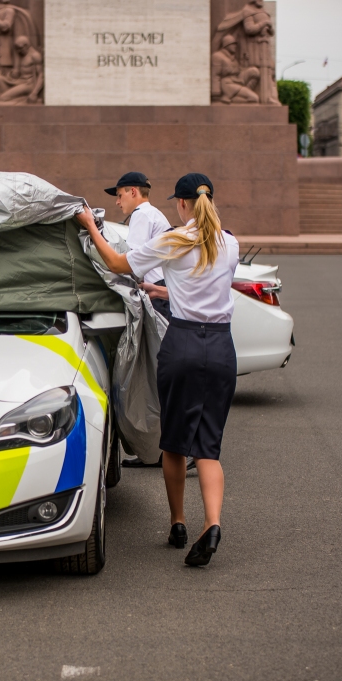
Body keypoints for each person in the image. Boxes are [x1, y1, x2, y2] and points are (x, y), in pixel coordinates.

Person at [76, 172, 239, 567]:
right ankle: (212, 523)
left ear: (181, 205)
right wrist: (163, 290)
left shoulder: (174, 240)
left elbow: (116, 261)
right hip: (220, 347)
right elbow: (205, 286)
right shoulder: (230, 243)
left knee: (174, 443)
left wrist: (90, 228)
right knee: (208, 446)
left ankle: (178, 521)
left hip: (181, 344)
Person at [102, 172, 195, 474]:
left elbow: (129, 261)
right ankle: (160, 452)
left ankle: (186, 448)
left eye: (119, 195)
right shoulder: (151, 214)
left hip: (160, 303)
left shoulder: (142, 215)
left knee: (164, 378)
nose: (117, 202)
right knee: (161, 379)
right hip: (162, 297)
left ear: (133, 192)